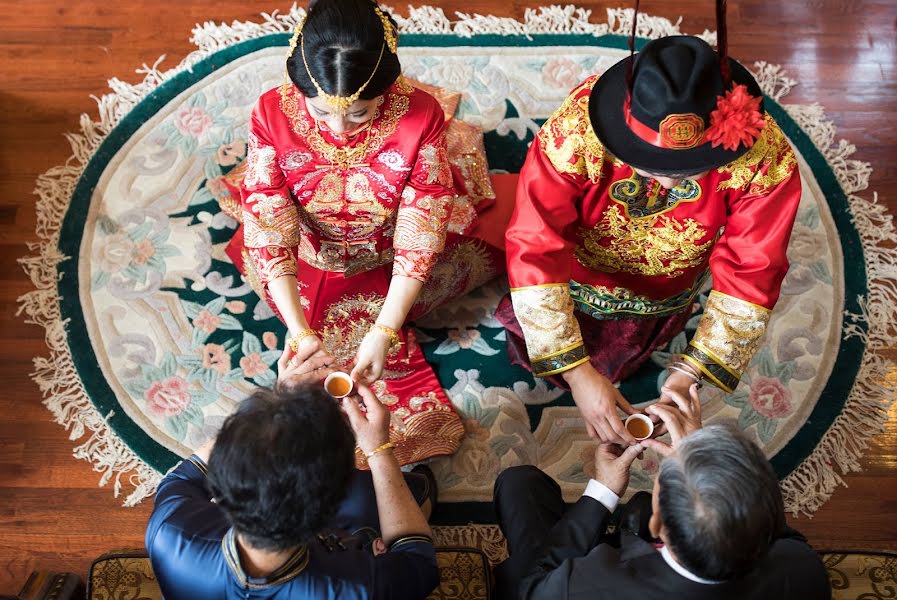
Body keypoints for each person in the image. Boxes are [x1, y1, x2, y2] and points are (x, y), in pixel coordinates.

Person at [221, 0, 511, 467]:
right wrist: (297, 330)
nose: (338, 129)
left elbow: (420, 232)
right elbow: (271, 225)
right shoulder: (271, 111)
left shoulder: (420, 114)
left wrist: (384, 329)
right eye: (320, 113)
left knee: (503, 233)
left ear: (388, 86)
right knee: (300, 313)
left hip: (393, 249)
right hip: (312, 254)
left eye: (359, 113)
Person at [496, 29, 802, 445]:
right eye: (648, 165)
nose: (664, 182)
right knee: (539, 330)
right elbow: (536, 241)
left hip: (667, 284)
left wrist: (692, 371)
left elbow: (754, 267)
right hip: (579, 269)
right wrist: (578, 373)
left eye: (685, 171)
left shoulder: (767, 160)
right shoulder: (576, 130)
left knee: (627, 350)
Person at [145, 343, 440, 599]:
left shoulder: (169, 530)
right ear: (329, 514)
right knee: (377, 494)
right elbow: (419, 561)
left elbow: (182, 477)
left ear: (221, 479)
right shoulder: (360, 587)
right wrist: (379, 451)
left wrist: (277, 404)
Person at [493, 386, 832, 599]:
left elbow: (525, 588)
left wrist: (603, 491)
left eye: (663, 482)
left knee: (519, 485)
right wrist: (701, 454)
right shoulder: (803, 571)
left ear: (657, 526)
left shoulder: (582, 585)